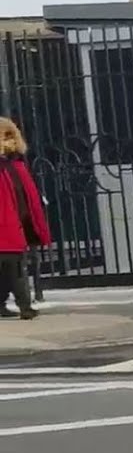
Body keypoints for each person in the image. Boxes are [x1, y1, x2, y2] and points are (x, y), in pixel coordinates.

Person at [0, 117, 49, 320]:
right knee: (15, 269)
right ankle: (25, 306)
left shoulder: (14, 167)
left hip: (11, 228)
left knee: (8, 269)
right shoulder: (13, 167)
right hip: (9, 229)